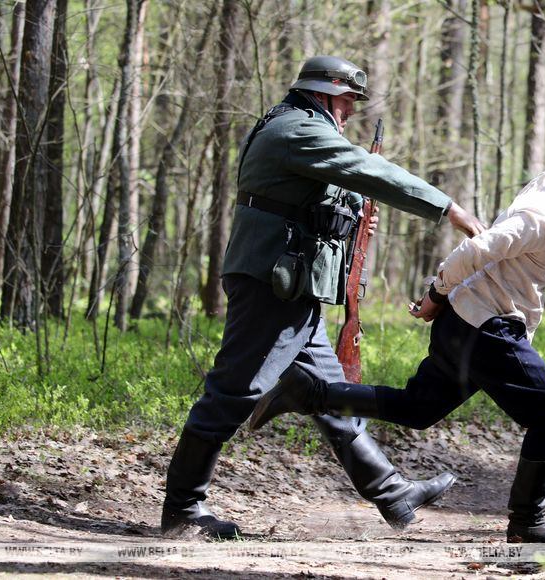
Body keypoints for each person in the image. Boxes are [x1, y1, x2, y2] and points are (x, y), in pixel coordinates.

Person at [248, 149, 545, 543]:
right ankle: (529, 522)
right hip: (485, 327)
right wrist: (434, 297)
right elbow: (477, 249)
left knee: (418, 408)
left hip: (464, 323)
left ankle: (309, 392)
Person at [161, 55, 485, 539]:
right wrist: (449, 208)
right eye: (348, 100)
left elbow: (317, 196)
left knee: (330, 396)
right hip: (273, 286)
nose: (351, 111)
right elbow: (363, 168)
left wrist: (354, 214)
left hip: (290, 285)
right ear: (324, 92)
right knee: (234, 390)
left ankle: (391, 491)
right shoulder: (298, 129)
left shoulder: (297, 126)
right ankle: (184, 509)